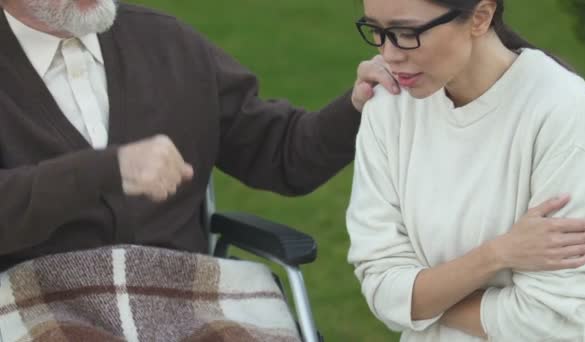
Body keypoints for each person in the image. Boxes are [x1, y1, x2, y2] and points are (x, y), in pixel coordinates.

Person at [0, 0, 397, 271]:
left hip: (183, 301)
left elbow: (282, 154)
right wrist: (105, 170)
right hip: (41, 303)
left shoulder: (168, 44)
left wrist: (355, 107)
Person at [346, 0, 585, 341]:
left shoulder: (559, 109)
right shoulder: (388, 104)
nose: (389, 54)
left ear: (481, 17)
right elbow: (380, 286)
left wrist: (421, 306)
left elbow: (556, 320)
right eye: (377, 31)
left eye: (407, 33)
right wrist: (497, 254)